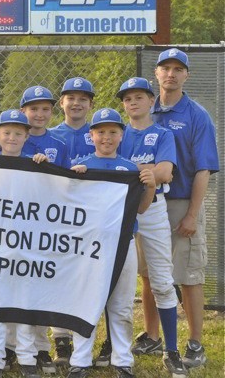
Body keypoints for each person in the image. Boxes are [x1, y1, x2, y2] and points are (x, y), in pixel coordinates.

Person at [67, 108, 157, 378]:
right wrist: (73, 180)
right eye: (101, 132)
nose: (106, 137)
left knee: (122, 303)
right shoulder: (81, 165)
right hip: (89, 244)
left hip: (122, 242)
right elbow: (67, 205)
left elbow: (140, 209)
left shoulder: (130, 168)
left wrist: (150, 187)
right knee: (86, 300)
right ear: (91, 135)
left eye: (113, 132)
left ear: (121, 135)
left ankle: (123, 360)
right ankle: (80, 360)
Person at [145, 49, 219, 369]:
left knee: (189, 275)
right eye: (166, 68)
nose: (171, 74)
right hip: (150, 202)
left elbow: (203, 169)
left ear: (187, 75)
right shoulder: (146, 110)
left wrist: (192, 214)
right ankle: (151, 336)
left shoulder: (197, 115)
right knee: (149, 273)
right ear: (156, 73)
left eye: (178, 69)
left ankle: (195, 344)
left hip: (182, 202)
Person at [116, 77, 187, 377]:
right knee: (117, 281)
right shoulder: (117, 133)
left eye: (139, 97)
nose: (133, 102)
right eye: (128, 98)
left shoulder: (162, 134)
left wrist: (130, 170)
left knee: (161, 280)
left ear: (150, 100)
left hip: (154, 208)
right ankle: (114, 348)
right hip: (120, 208)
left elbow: (165, 172)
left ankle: (171, 350)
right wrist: (146, 170)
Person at [0, 109, 46, 378]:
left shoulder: (35, 165)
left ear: (26, 136)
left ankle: (27, 358)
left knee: (25, 303)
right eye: (6, 132)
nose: (12, 137)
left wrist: (44, 167)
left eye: (18, 133)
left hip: (26, 245)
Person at [19, 85, 69, 373]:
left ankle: (44, 346)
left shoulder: (58, 144)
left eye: (45, 109)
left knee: (43, 283)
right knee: (22, 285)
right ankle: (22, 347)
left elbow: (67, 186)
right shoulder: (14, 140)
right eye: (33, 108)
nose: (39, 114)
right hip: (18, 224)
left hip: (47, 224)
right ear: (23, 111)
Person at [48, 77, 96, 367]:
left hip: (92, 215)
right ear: (62, 102)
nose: (76, 103)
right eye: (71, 98)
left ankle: (85, 336)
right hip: (58, 216)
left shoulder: (101, 133)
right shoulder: (51, 135)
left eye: (83, 99)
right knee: (58, 274)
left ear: (90, 104)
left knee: (86, 277)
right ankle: (60, 338)